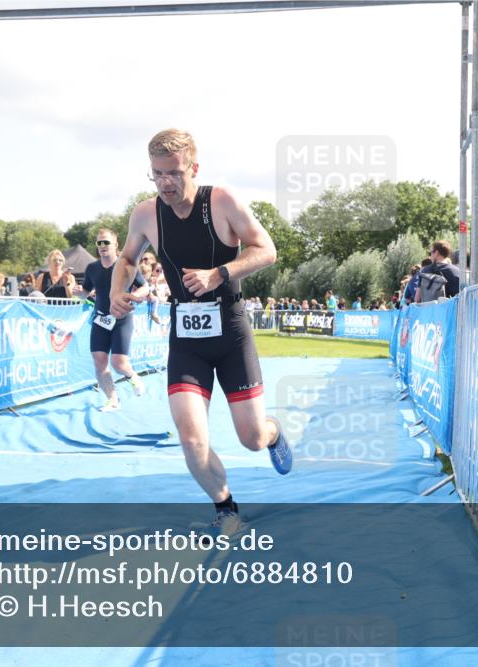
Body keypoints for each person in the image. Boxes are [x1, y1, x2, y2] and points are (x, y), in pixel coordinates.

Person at [109, 128, 291, 530]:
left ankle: (274, 433)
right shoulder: (145, 214)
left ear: (194, 167)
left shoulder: (222, 201)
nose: (166, 183)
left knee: (252, 438)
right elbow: (126, 259)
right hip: (187, 339)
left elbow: (267, 249)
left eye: (174, 173)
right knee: (191, 440)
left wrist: (219, 273)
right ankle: (225, 507)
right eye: (157, 174)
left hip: (230, 330)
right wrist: (117, 292)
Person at [79, 228, 148, 412]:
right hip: (101, 319)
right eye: (99, 243)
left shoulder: (126, 265)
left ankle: (132, 376)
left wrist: (135, 296)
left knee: (119, 363)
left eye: (106, 242)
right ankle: (112, 399)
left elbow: (145, 288)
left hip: (122, 319)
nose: (102, 246)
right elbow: (86, 294)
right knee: (99, 360)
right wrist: (79, 293)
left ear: (116, 245)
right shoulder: (92, 268)